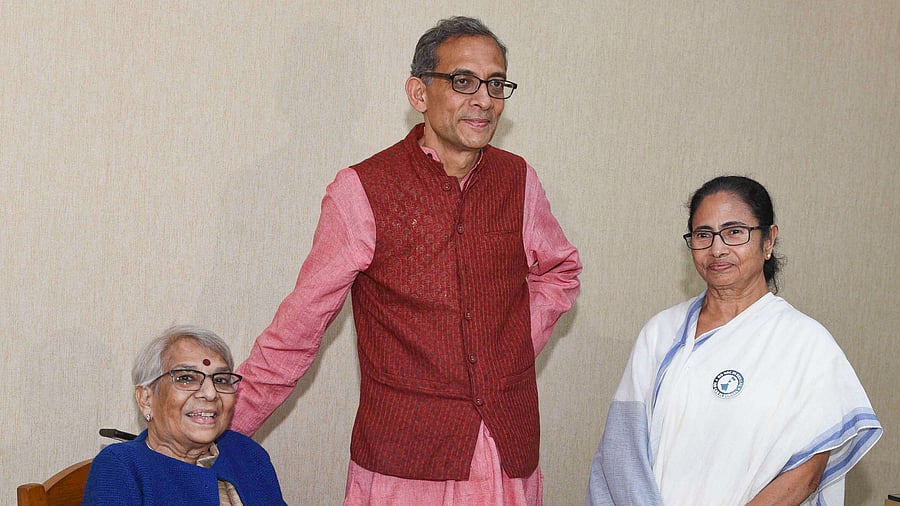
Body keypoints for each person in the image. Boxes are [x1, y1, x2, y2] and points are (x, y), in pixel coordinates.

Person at [231, 15, 582, 506]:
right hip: (404, 466)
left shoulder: (519, 180)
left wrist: (514, 342)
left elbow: (560, 270)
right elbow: (298, 329)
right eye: (464, 81)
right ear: (420, 93)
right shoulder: (361, 190)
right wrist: (219, 427)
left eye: (496, 84)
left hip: (507, 457)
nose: (484, 98)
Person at [586, 176, 882, 505]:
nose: (717, 248)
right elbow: (620, 454)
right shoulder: (660, 333)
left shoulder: (806, 344)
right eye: (703, 235)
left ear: (768, 240)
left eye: (735, 232)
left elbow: (807, 474)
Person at [82, 325, 286, 505]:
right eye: (186, 378)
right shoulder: (122, 467)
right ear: (146, 399)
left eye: (221, 380)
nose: (210, 393)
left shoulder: (247, 453)